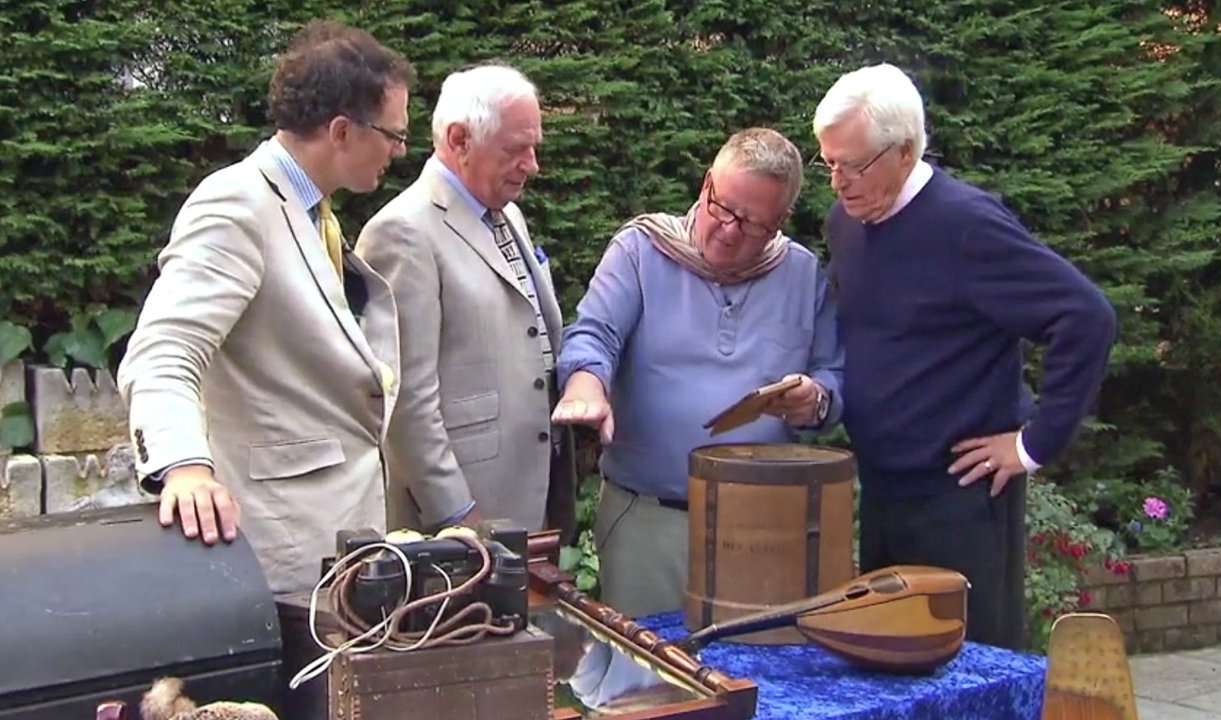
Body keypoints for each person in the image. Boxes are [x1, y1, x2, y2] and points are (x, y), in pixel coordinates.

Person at [813, 63, 1117, 649]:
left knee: (967, 670)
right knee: (887, 666)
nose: (838, 182)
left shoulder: (967, 227)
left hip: (958, 499)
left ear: (904, 152)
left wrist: (1033, 444)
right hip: (881, 490)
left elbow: (1086, 315)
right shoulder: (847, 224)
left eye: (852, 165)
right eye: (829, 163)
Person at [116, 20, 415, 595]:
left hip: (343, 548)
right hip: (283, 558)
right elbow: (163, 349)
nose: (401, 151)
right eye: (394, 134)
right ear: (341, 131)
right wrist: (183, 466)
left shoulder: (313, 212)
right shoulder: (235, 204)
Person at [552, 128, 845, 618]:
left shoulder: (802, 274)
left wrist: (816, 398)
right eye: (722, 208)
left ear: (779, 222)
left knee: (757, 679)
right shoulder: (642, 250)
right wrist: (586, 382)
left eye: (751, 224)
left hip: (764, 523)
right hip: (646, 518)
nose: (729, 230)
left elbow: (834, 376)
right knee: (645, 684)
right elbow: (594, 334)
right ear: (706, 183)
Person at [355, 63, 575, 539]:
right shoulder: (403, 231)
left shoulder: (507, 213)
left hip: (528, 497)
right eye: (517, 149)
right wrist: (454, 512)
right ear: (459, 140)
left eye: (534, 147)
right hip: (460, 520)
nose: (532, 165)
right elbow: (404, 396)